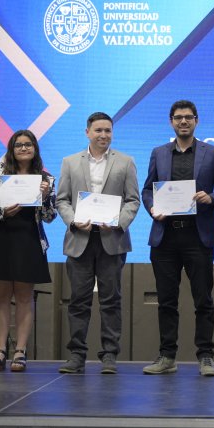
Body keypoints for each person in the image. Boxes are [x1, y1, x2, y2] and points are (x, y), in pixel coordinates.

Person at [141, 100, 214, 377]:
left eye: (188, 117)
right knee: (167, 301)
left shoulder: (212, 153)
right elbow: (147, 190)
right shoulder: (158, 153)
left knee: (203, 300)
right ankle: (167, 356)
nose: (183, 121)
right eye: (178, 117)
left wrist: (211, 198)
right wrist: (152, 208)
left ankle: (206, 356)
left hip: (198, 236)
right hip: (165, 237)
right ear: (171, 121)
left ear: (196, 121)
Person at [55, 112, 140, 374]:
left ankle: (110, 355)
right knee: (78, 301)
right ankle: (77, 355)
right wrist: (73, 220)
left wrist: (117, 222)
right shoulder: (70, 162)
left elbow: (133, 200)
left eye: (108, 131)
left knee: (111, 301)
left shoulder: (126, 162)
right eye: (98, 130)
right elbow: (62, 200)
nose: (104, 135)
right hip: (79, 240)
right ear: (87, 132)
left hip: (111, 240)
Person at [0, 130, 57, 372]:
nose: (23, 148)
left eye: (28, 144)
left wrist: (45, 197)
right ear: (12, 149)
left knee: (24, 297)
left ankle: (20, 351)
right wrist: (1, 211)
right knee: (0, 296)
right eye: (18, 145)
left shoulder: (46, 178)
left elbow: (50, 216)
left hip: (29, 239)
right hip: (0, 236)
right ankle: (0, 350)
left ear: (35, 148)